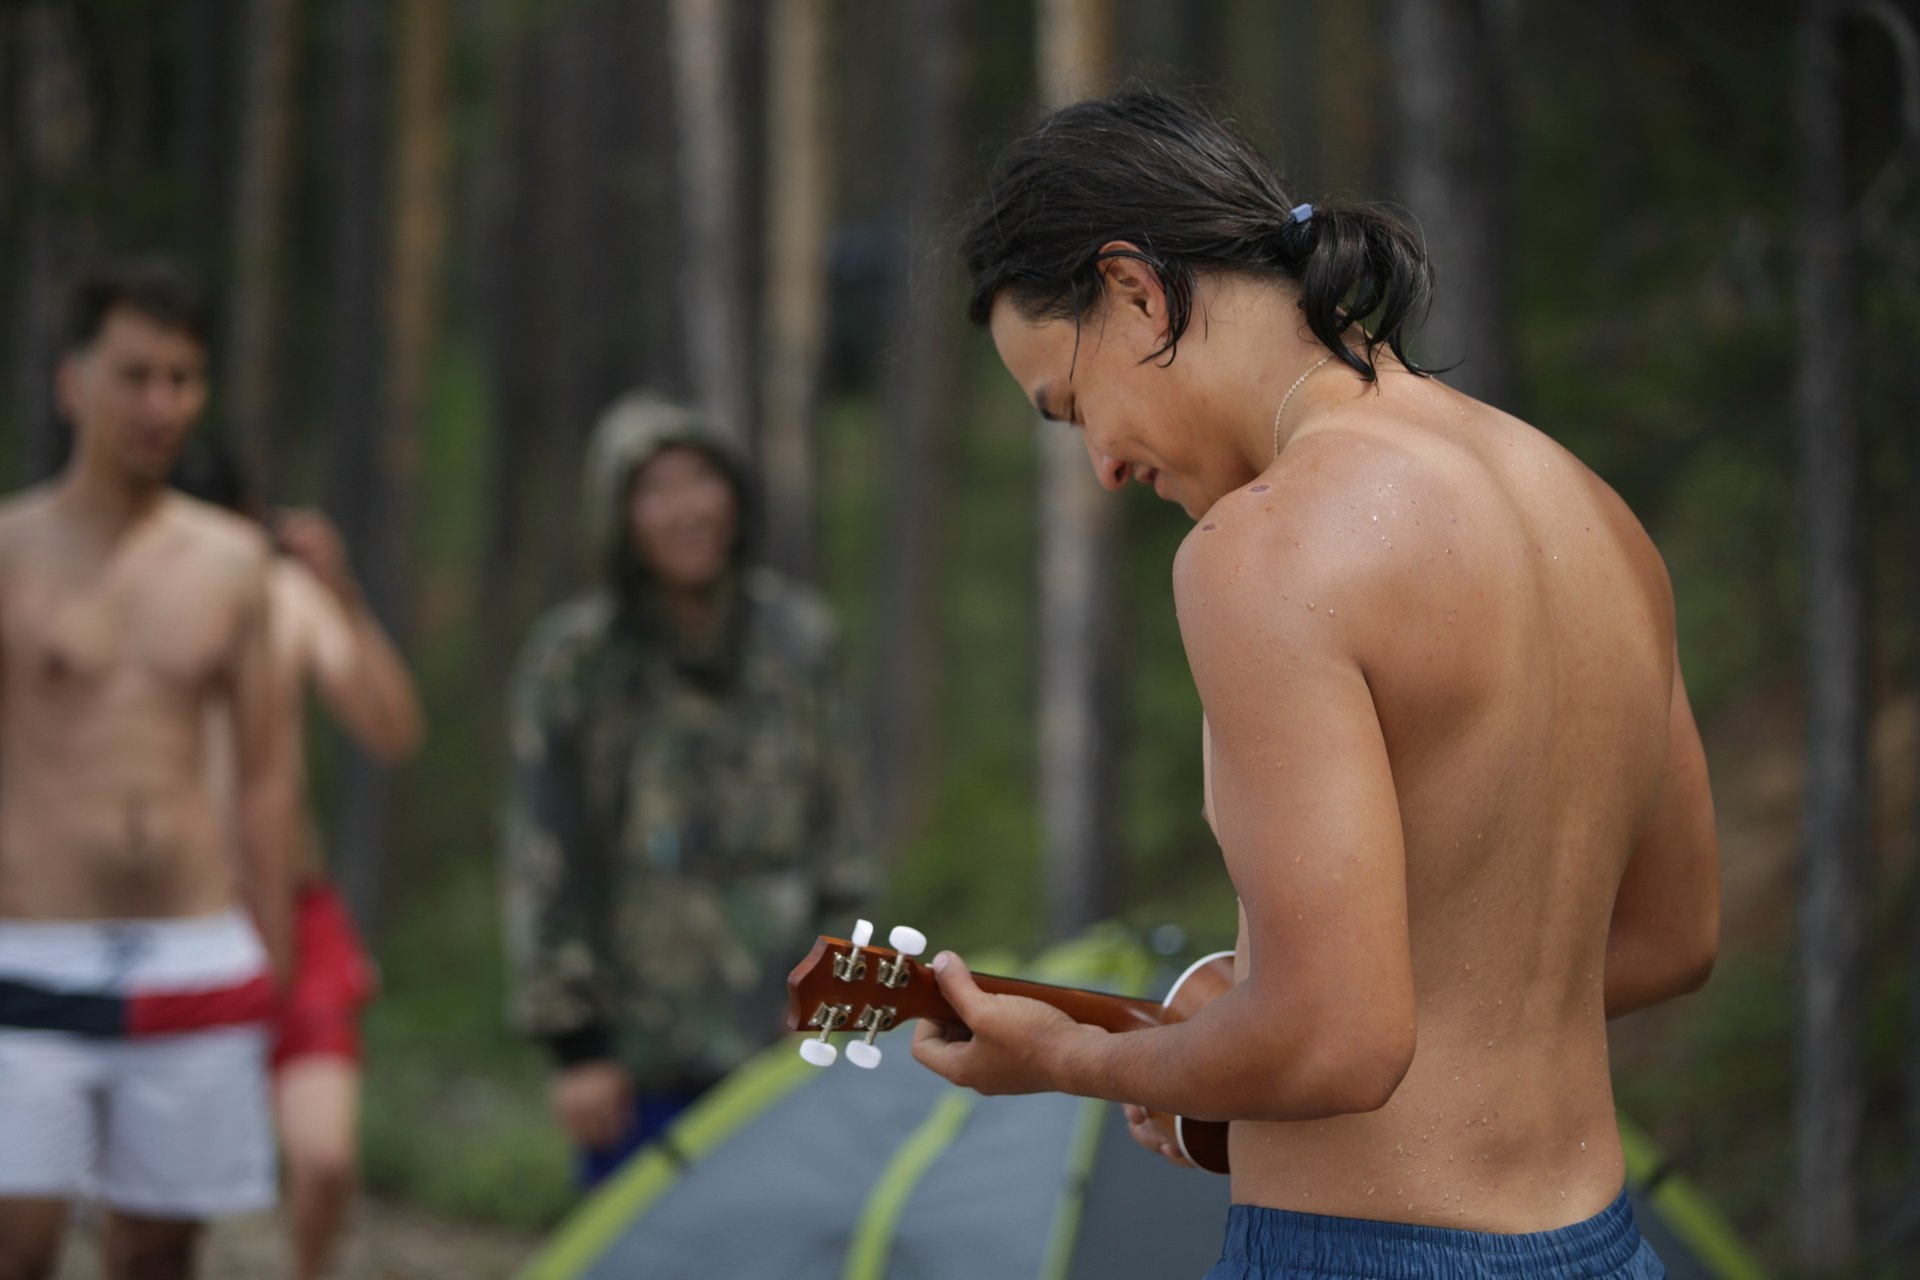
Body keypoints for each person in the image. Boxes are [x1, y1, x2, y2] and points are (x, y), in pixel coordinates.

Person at [910, 91, 1716, 1279]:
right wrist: (1259, 1011)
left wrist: (1066, 1057)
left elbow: (1335, 1041)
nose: (1104, 463)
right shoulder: (1588, 505)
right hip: (1602, 1247)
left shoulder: (1266, 546)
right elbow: (1671, 937)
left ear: (1134, 291)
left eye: (1074, 405)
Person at [0, 259, 300, 1280]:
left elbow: (265, 772)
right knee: (16, 1241)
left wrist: (277, 951)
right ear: (72, 382)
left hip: (192, 948)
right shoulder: (13, 553)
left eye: (182, 379)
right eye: (135, 376)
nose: (159, 405)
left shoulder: (233, 563)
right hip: (33, 945)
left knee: (160, 1253)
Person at [504, 392, 867, 1188]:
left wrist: (836, 996)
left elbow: (839, 840)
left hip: (784, 1053)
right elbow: (546, 854)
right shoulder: (576, 661)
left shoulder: (799, 640)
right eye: (655, 489)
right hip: (635, 1064)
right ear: (618, 513)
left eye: (702, 479)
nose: (686, 509)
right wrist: (576, 1045)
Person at [172, 436, 423, 1280]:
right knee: (167, 1199)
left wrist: (340, 594)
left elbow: (391, 729)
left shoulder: (285, 600)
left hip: (296, 908)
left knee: (324, 1159)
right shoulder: (119, 602)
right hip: (181, 915)